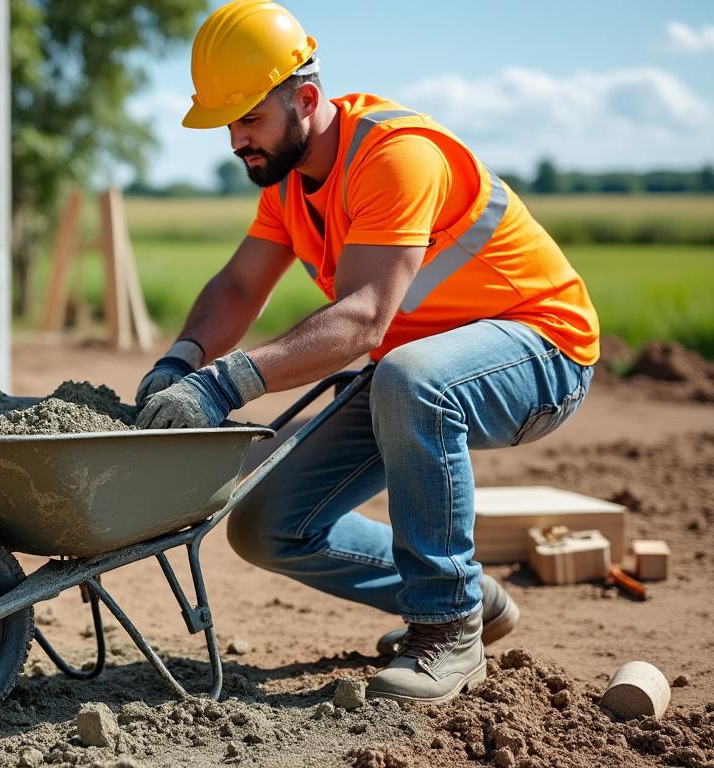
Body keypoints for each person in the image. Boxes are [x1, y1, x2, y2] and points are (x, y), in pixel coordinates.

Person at [135, 0, 599, 703]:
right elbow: (237, 284)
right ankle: (472, 594)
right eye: (228, 124)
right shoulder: (287, 182)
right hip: (418, 373)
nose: (236, 141)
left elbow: (363, 321)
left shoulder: (395, 155)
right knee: (267, 526)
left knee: (409, 377)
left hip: (543, 352)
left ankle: (446, 627)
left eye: (249, 118)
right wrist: (180, 361)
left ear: (308, 100)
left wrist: (222, 385)